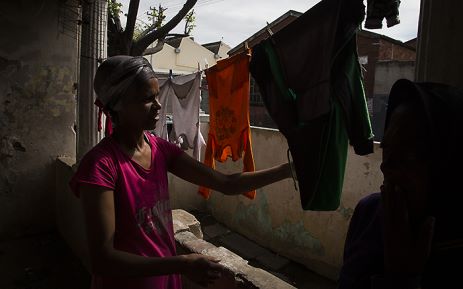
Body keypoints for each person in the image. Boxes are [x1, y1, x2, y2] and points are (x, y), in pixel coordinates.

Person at [69, 56, 292, 289]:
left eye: (156, 96)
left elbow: (227, 184)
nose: (157, 105)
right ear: (117, 104)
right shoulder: (101, 166)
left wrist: (287, 170)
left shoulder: (160, 150)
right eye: (147, 98)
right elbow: (103, 260)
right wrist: (181, 265)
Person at [338, 79, 463, 289]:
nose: (385, 167)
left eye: (409, 156)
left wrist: (402, 280)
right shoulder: (368, 214)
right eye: (387, 150)